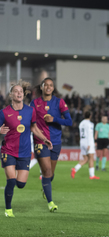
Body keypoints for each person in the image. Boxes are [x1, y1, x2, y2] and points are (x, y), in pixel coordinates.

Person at [1, 81, 52, 217]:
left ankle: (10, 198)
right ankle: (8, 209)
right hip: (8, 150)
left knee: (21, 184)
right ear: (11, 95)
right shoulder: (4, 113)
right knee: (11, 181)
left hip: (24, 152)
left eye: (21, 91)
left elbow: (34, 128)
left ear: (23, 95)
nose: (19, 93)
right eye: (16, 91)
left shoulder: (30, 111)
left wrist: (45, 139)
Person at [30, 77, 72, 212]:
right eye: (45, 85)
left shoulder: (59, 102)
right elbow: (29, 121)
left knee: (51, 174)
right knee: (47, 171)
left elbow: (69, 121)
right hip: (40, 141)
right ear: (41, 87)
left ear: (53, 88)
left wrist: (55, 119)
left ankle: (45, 186)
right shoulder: (34, 103)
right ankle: (51, 203)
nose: (48, 87)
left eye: (50, 85)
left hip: (56, 142)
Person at [71, 111, 100, 180]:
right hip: (88, 142)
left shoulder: (81, 123)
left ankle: (75, 169)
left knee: (86, 159)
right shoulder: (90, 124)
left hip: (82, 142)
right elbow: (89, 134)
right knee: (91, 158)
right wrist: (89, 144)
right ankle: (92, 175)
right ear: (90, 116)